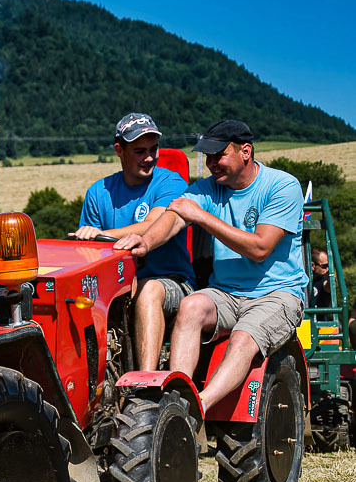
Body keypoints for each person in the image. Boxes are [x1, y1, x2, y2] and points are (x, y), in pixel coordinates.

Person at [116, 120, 306, 413]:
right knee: (191, 306)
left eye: (219, 155)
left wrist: (202, 217)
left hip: (276, 294)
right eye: (208, 156)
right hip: (227, 292)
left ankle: (199, 406)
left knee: (244, 337)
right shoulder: (208, 189)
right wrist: (146, 243)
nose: (211, 163)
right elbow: (175, 216)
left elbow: (260, 248)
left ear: (246, 151)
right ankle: (175, 400)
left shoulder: (282, 186)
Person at [73, 113, 195, 369]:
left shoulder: (171, 182)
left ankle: (145, 382)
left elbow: (155, 223)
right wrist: (87, 239)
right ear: (119, 150)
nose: (149, 157)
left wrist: (101, 235)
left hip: (172, 282)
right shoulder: (98, 192)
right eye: (140, 151)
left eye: (153, 149)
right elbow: (88, 253)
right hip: (115, 288)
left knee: (148, 290)